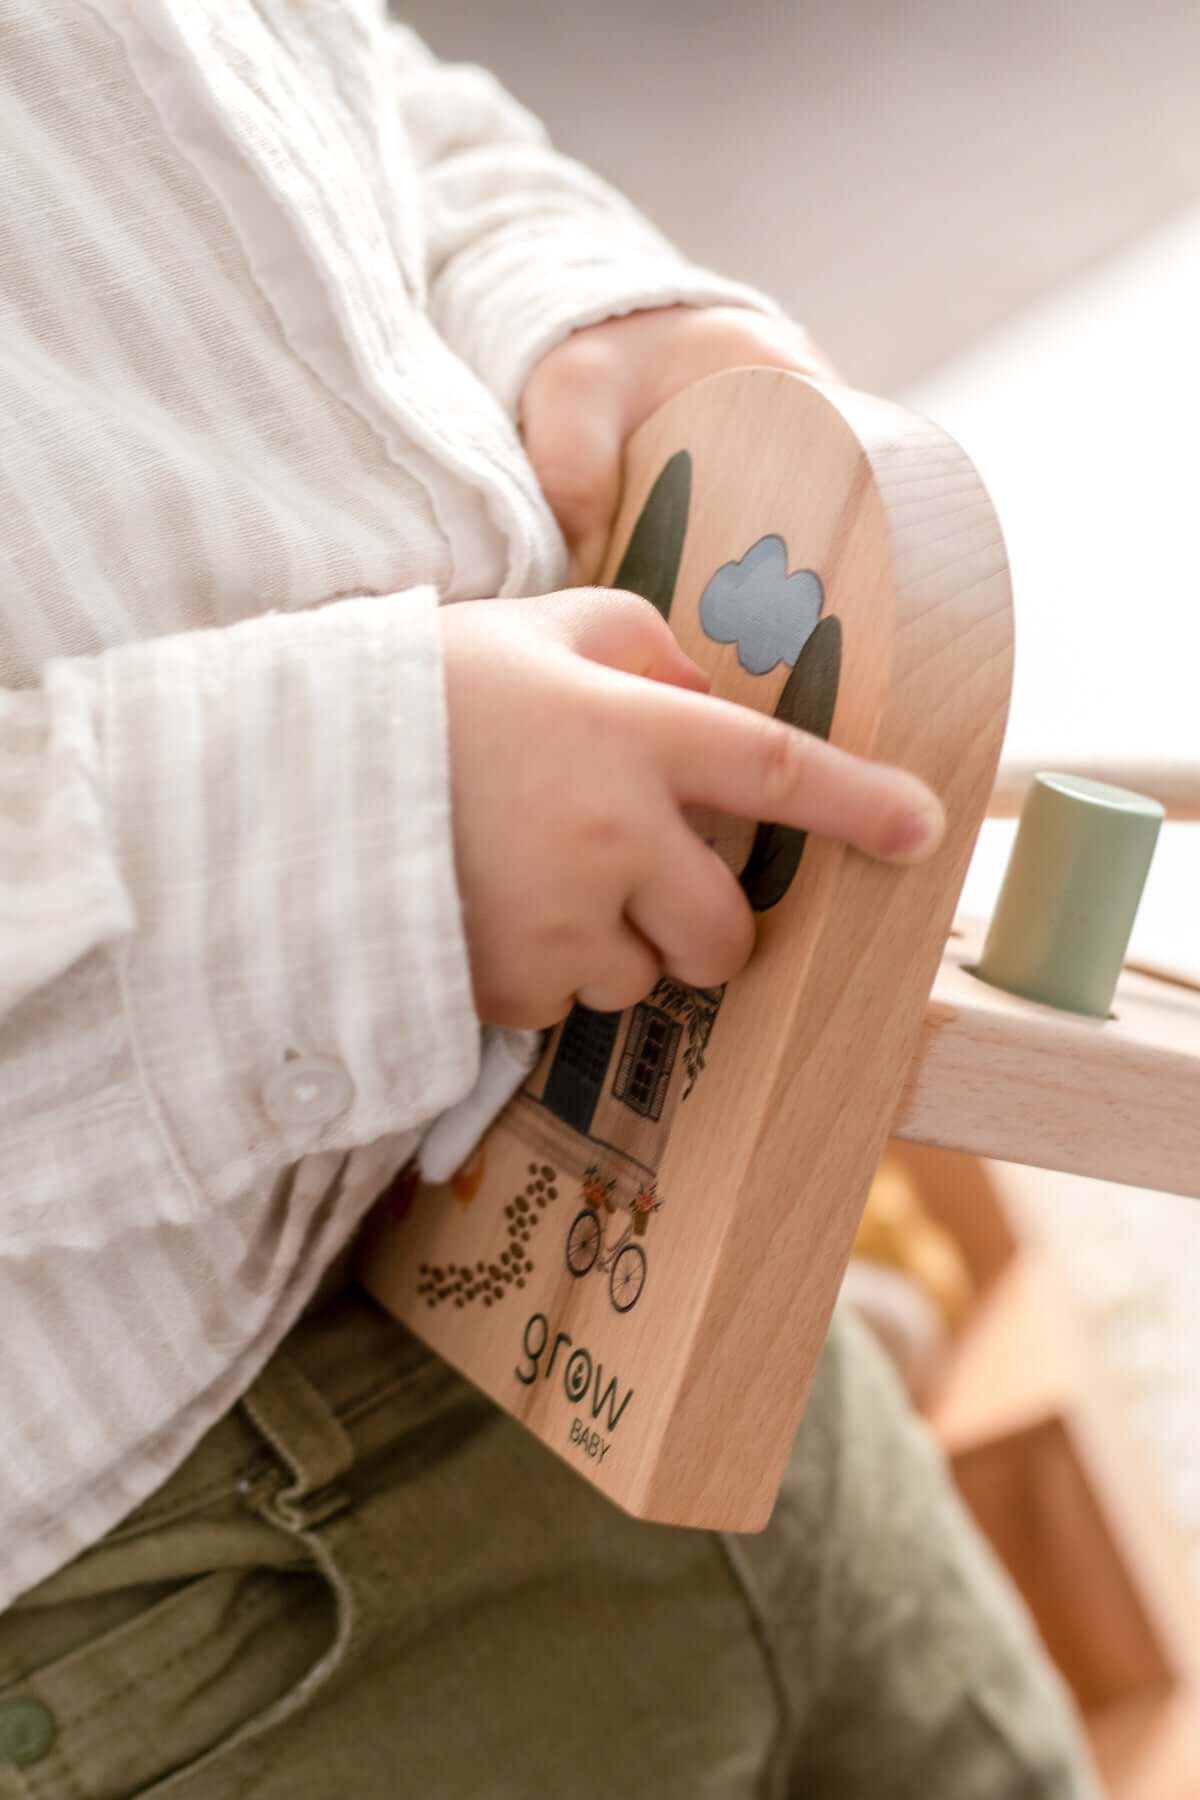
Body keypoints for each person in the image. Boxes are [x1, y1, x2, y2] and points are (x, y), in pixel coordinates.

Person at [0, 4, 1099, 1794]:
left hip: (663, 1274)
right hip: (194, 1612)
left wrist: (564, 296)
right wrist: (364, 830)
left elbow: (305, 86)